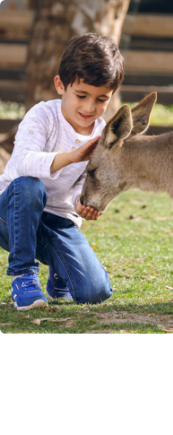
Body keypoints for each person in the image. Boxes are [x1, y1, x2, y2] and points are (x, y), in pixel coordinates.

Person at [0, 33, 124, 310]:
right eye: (81, 95)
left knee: (96, 292)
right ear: (60, 85)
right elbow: (21, 163)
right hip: (9, 213)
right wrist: (71, 156)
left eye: (101, 99)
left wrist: (82, 205)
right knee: (30, 186)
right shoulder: (43, 116)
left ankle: (60, 272)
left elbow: (80, 188)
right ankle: (23, 276)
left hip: (57, 220)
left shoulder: (104, 135)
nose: (89, 107)